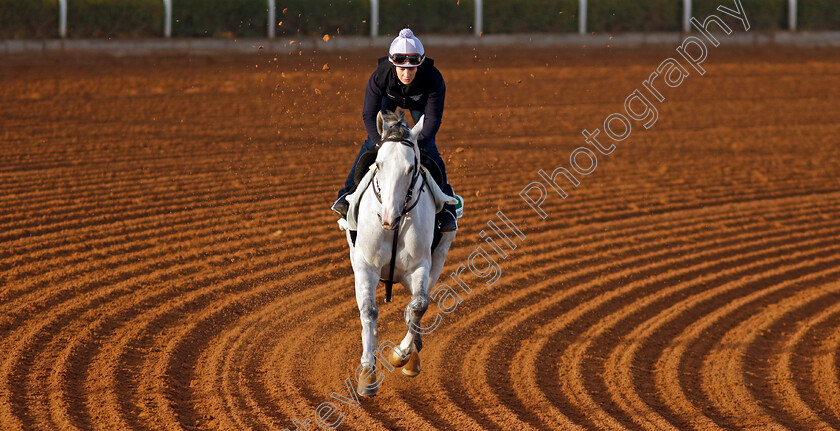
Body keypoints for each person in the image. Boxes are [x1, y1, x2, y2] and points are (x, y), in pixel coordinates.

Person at [331, 28, 457, 232]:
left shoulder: (433, 78)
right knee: (371, 144)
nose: (407, 74)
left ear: (420, 65)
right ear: (393, 65)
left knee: (429, 149)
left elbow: (433, 120)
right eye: (401, 68)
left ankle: (445, 207)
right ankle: (346, 196)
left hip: (420, 102)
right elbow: (369, 115)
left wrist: (415, 144)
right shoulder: (380, 75)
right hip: (388, 98)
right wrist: (381, 142)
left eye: (412, 69)